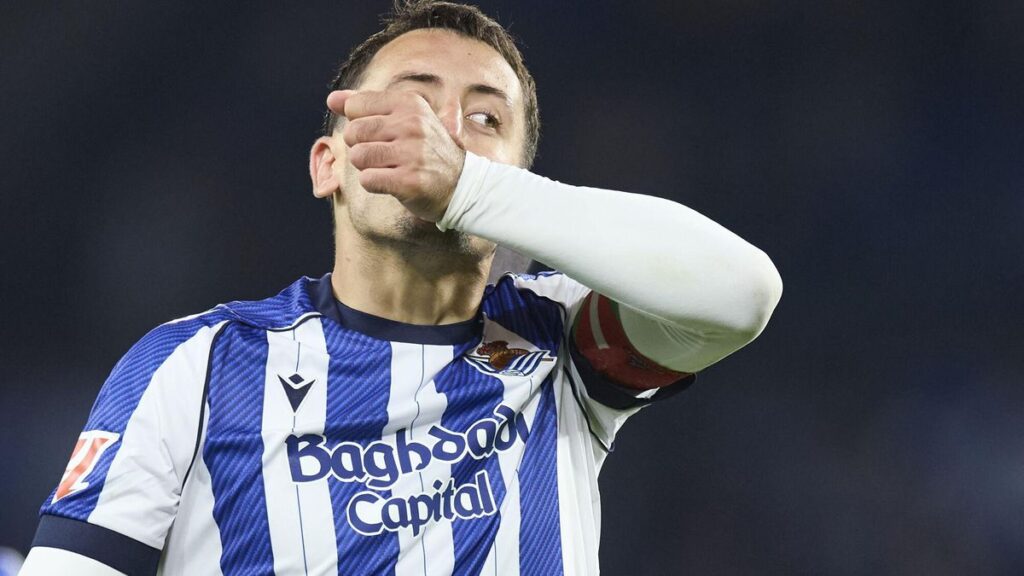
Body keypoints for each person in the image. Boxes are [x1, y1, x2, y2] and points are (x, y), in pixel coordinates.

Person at [20, 1, 782, 574]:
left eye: (484, 119)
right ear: (329, 164)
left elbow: (743, 292)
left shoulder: (562, 343)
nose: (442, 131)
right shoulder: (198, 364)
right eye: (410, 105)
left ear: (511, 182)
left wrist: (468, 190)